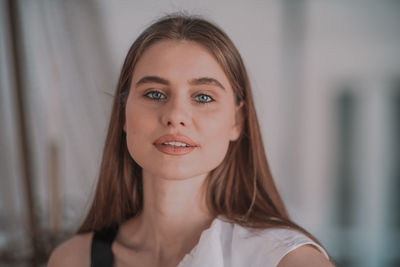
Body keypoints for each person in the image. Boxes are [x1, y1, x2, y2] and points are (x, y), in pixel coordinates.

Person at [48, 13, 335, 267]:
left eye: (203, 97)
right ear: (123, 114)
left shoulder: (289, 260)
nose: (175, 115)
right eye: (155, 94)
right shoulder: (72, 260)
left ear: (237, 121)